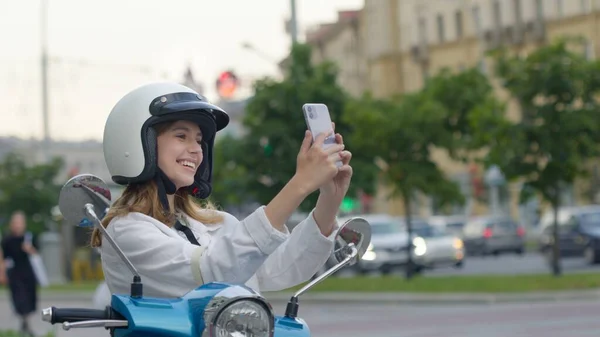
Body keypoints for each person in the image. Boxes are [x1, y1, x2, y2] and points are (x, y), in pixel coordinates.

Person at [92, 82, 353, 299]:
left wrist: (329, 198)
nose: (196, 149)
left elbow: (281, 268)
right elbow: (212, 272)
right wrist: (300, 183)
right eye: (181, 136)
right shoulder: (126, 230)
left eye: (198, 140)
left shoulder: (212, 225)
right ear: (141, 143)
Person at [0, 211, 38, 336]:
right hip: (15, 273)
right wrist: (2, 273)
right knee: (19, 298)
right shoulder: (7, 240)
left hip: (27, 271)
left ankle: (25, 323)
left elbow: (37, 255)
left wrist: (29, 249)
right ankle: (25, 323)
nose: (17, 225)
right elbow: (3, 259)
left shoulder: (29, 237)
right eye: (15, 222)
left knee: (29, 298)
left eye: (20, 222)